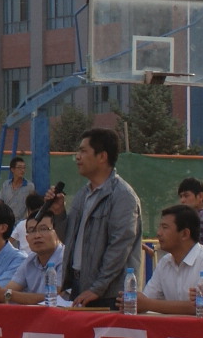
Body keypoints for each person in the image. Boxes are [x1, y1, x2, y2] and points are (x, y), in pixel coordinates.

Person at [60, 129, 143, 308]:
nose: (77, 157)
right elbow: (67, 239)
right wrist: (58, 213)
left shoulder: (122, 196)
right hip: (80, 288)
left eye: (83, 151)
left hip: (109, 295)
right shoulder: (83, 194)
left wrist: (97, 288)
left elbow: (119, 247)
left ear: (102, 156)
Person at [137, 204, 203, 314]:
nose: (158, 233)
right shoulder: (165, 263)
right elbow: (146, 299)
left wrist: (149, 304)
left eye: (165, 227)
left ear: (185, 234)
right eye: (160, 227)